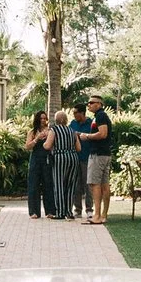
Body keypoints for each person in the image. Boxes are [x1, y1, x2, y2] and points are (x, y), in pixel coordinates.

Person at [78, 94, 115, 223]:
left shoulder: (100, 116)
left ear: (99, 104)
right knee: (104, 185)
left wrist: (87, 136)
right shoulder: (99, 116)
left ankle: (97, 216)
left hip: (98, 155)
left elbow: (103, 134)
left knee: (95, 184)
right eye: (88, 103)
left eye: (91, 102)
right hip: (104, 154)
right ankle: (103, 215)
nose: (89, 105)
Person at [50, 104, 84, 220]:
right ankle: (69, 212)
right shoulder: (72, 131)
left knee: (59, 184)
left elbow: (48, 145)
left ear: (56, 120)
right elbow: (79, 148)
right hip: (73, 158)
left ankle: (60, 213)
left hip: (60, 158)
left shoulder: (54, 130)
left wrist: (45, 143)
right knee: (70, 185)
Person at [24, 111, 54, 219]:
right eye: (41, 118)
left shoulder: (50, 131)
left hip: (46, 159)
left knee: (48, 185)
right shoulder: (32, 132)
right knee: (33, 186)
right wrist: (37, 139)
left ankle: (50, 210)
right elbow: (27, 147)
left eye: (45, 118)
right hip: (35, 159)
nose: (43, 120)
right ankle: (34, 211)